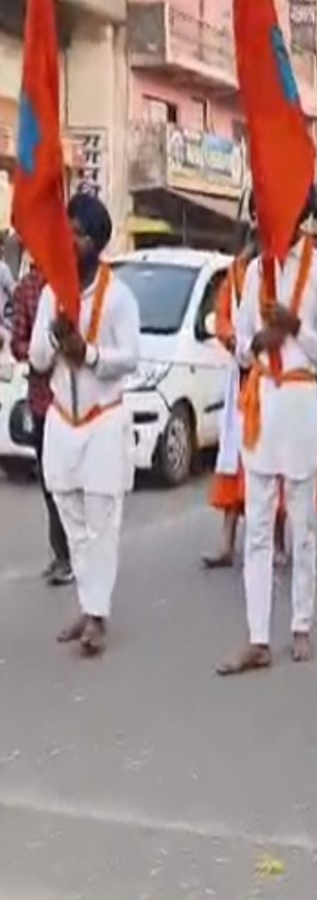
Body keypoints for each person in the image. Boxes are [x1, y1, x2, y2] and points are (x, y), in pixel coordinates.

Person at [217, 187, 317, 675]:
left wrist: (294, 327)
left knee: (302, 527)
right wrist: (258, 342)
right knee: (258, 527)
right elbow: (241, 347)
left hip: (302, 403)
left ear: (301, 213)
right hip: (263, 403)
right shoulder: (254, 272)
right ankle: (258, 637)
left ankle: (301, 624)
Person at [28, 193, 140, 656]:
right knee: (71, 521)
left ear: (97, 242)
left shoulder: (119, 297)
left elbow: (130, 357)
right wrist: (56, 337)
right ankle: (88, 604)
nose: (71, 241)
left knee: (101, 523)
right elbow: (37, 359)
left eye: (79, 234)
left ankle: (96, 615)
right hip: (61, 421)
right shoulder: (52, 292)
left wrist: (88, 354)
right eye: (67, 232)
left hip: (103, 421)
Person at [202, 228, 288, 570]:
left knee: (272, 457)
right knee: (233, 455)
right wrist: (234, 341)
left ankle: (277, 541)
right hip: (240, 375)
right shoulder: (236, 272)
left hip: (270, 375)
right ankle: (227, 540)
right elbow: (222, 316)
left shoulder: (281, 268)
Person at [11, 257, 72, 585]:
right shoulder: (28, 289)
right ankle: (61, 554)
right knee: (51, 481)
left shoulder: (76, 283)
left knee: (75, 481)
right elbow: (17, 342)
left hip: (76, 401)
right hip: (42, 400)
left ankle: (76, 554)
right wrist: (41, 349)